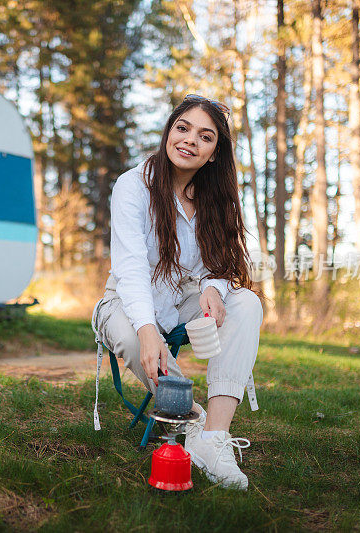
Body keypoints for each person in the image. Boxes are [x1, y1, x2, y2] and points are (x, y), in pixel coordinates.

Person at [92, 94, 263, 490]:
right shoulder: (133, 185)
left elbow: (217, 262)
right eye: (182, 128)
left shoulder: (213, 197)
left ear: (215, 152)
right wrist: (146, 328)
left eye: (205, 136)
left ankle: (214, 438)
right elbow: (131, 265)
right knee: (139, 344)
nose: (189, 140)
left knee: (246, 303)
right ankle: (193, 419)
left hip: (182, 296)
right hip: (125, 298)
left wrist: (214, 289)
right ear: (169, 130)